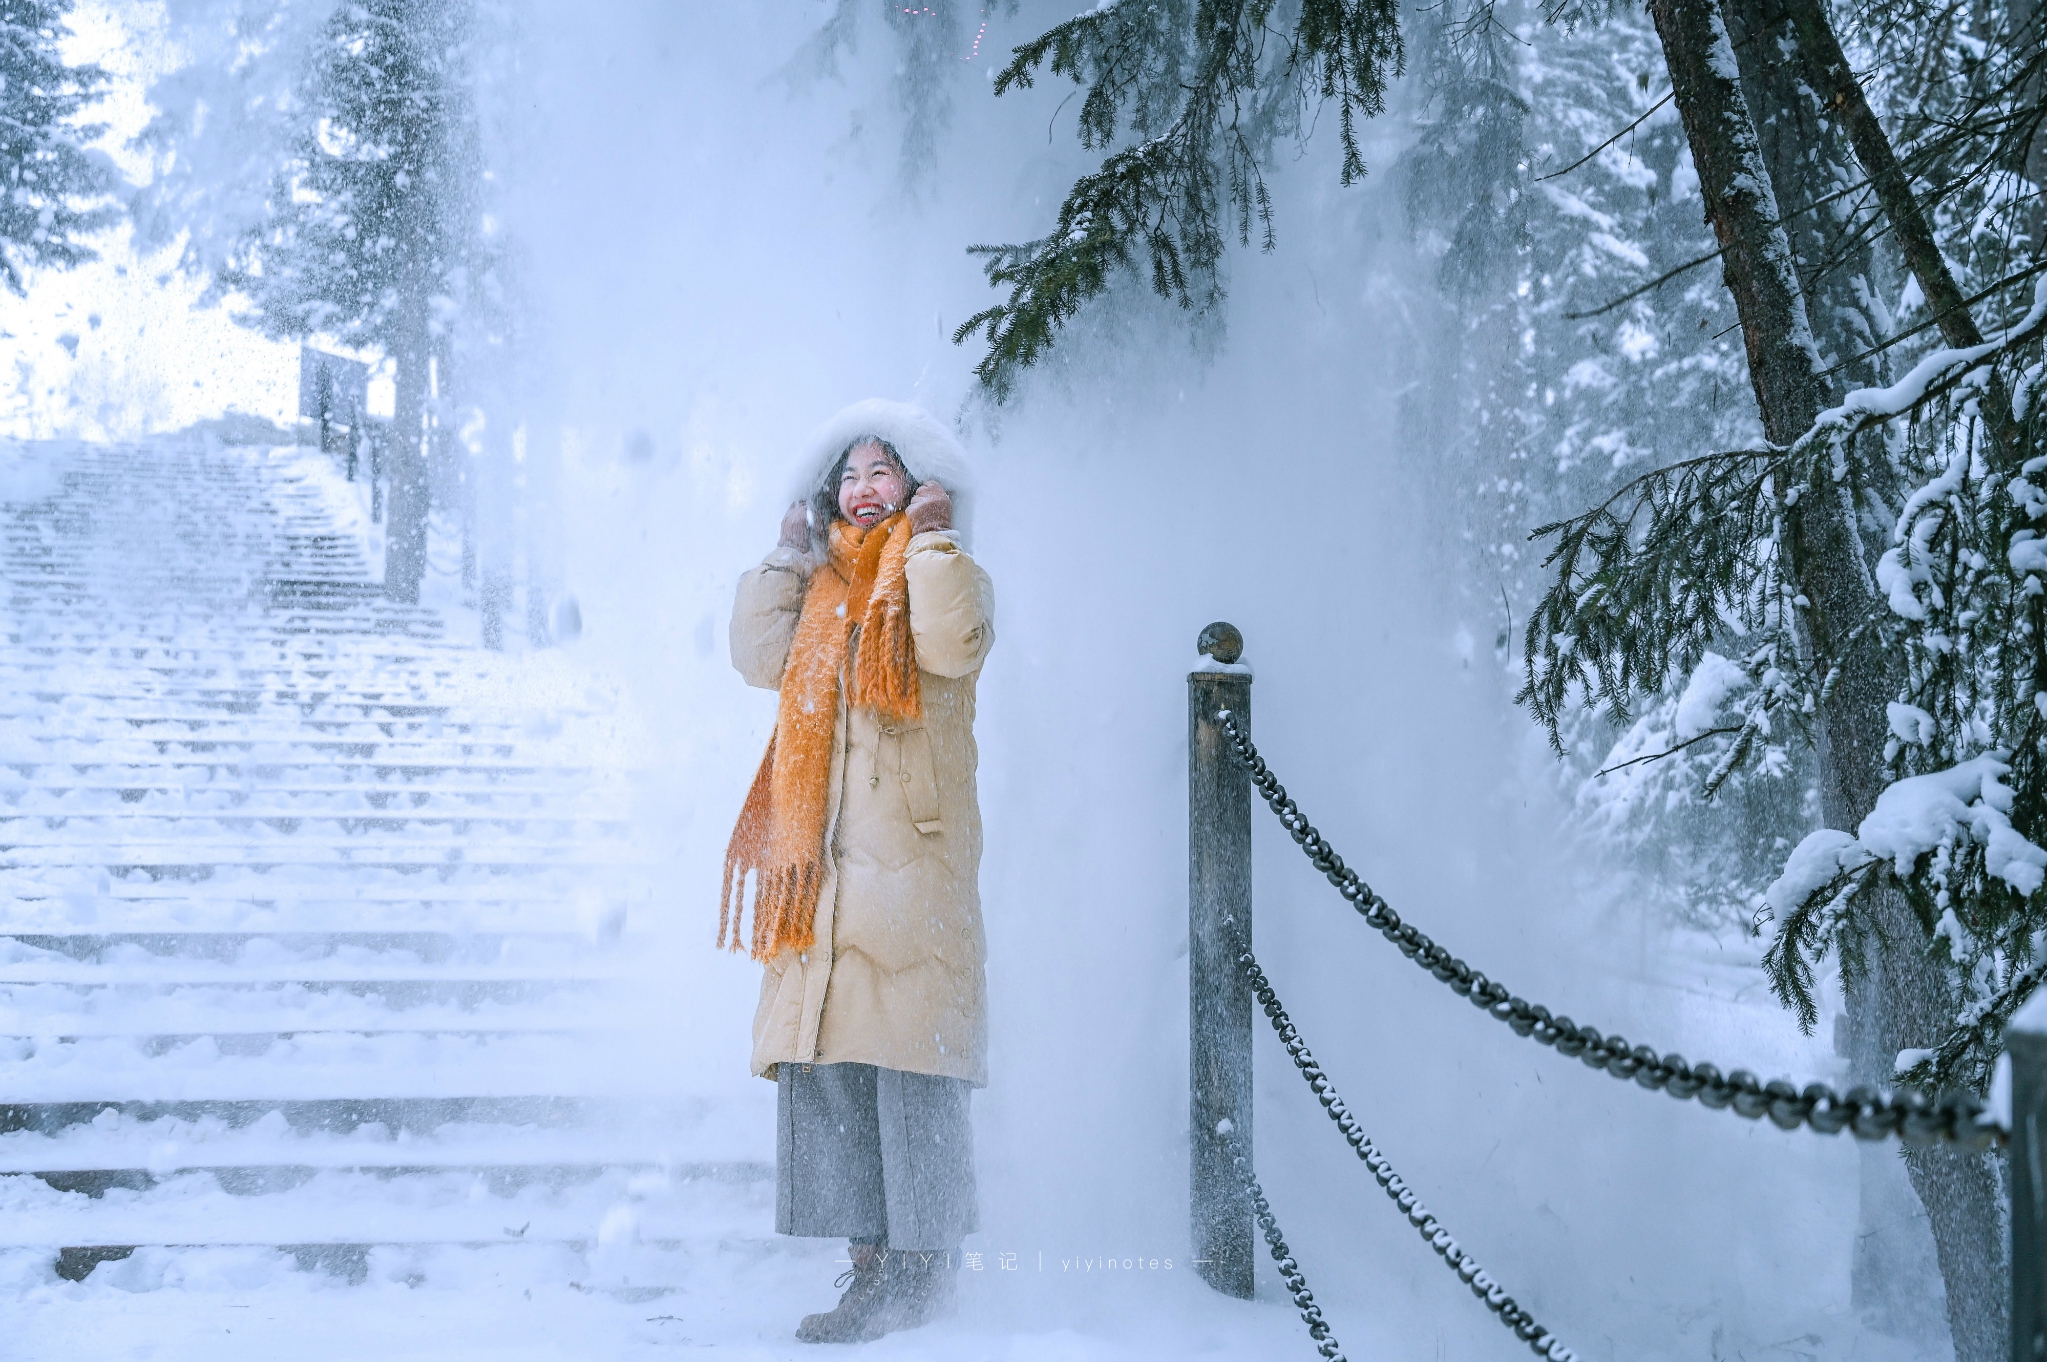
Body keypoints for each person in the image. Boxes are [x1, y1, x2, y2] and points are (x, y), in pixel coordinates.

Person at [721, 399, 995, 1344]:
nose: (863, 490)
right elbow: (753, 656)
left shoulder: (940, 575)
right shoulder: (821, 593)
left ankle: (926, 1279)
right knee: (832, 1068)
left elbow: (951, 643)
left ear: (918, 486)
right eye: (849, 476)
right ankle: (870, 1272)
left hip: (910, 871)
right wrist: (789, 556)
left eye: (883, 472)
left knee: (909, 1073)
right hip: (823, 878)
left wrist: (928, 541)